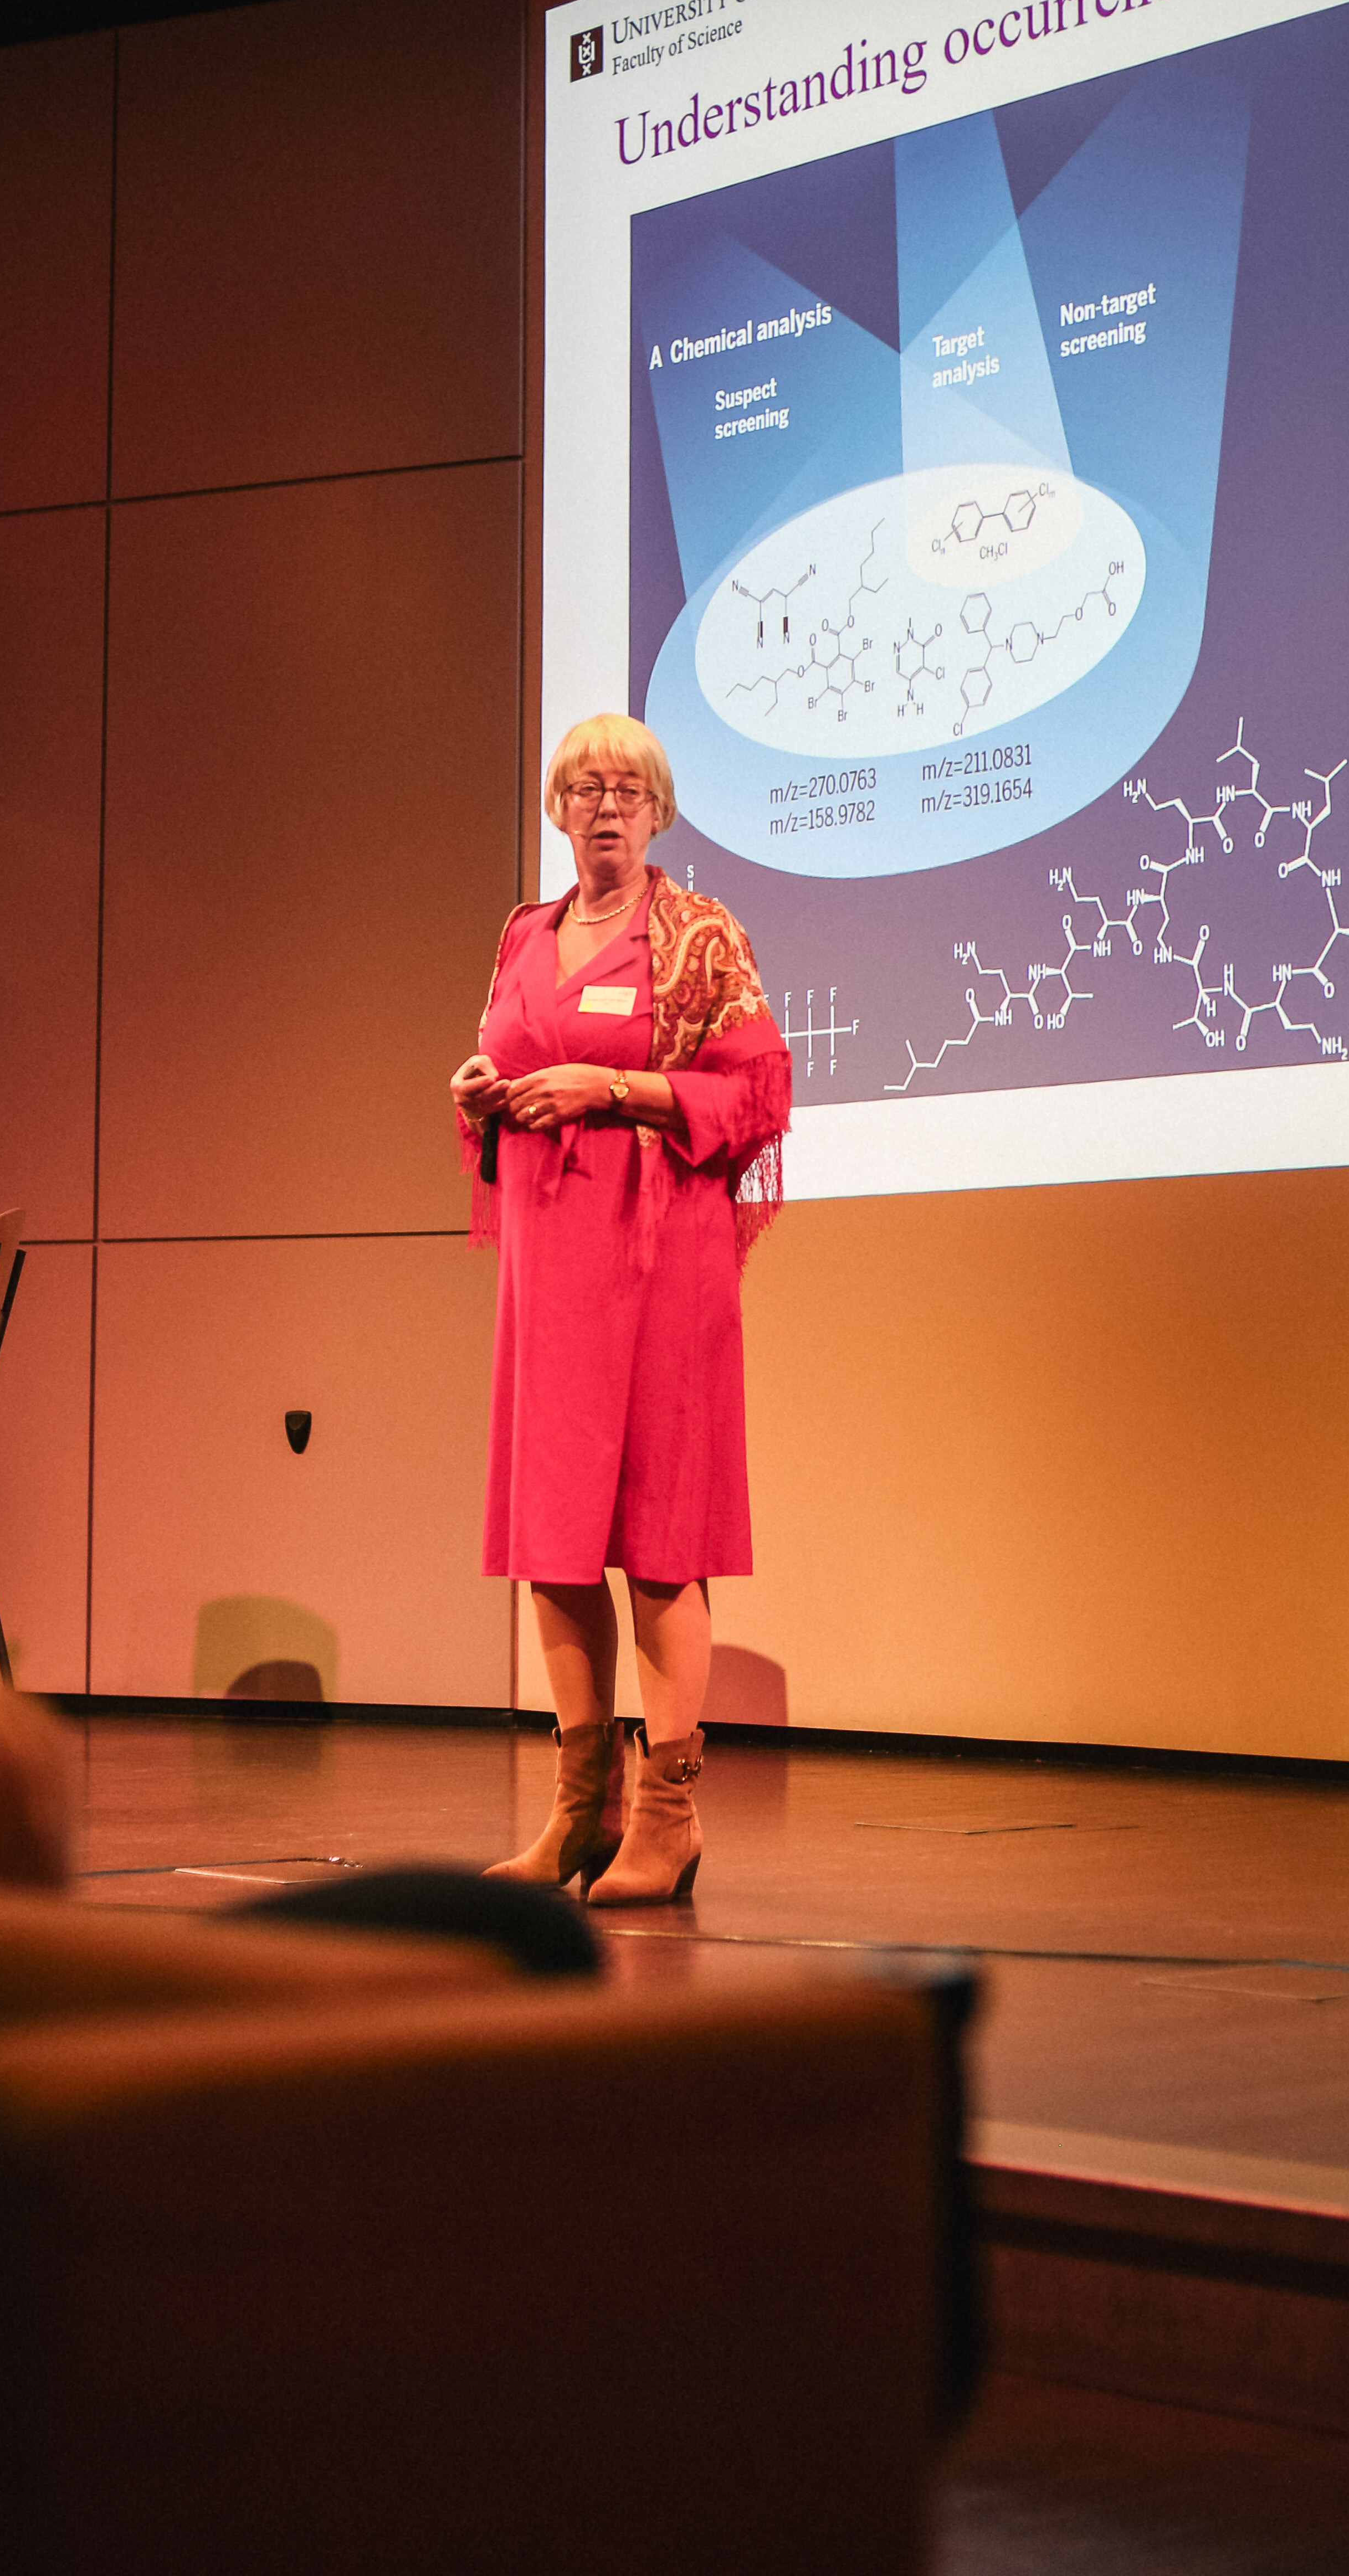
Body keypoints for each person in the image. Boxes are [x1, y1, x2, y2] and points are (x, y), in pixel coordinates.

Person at [451, 715, 790, 1904]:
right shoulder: (525, 933)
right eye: (586, 788)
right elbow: (504, 1055)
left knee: (658, 1541)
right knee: (553, 1549)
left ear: (658, 811)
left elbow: (756, 1096)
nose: (606, 807)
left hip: (660, 1268)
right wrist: (481, 1093)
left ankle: (668, 1819)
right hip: (550, 1269)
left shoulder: (698, 934)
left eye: (627, 790)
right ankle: (578, 1813)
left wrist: (611, 1086)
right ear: (557, 809)